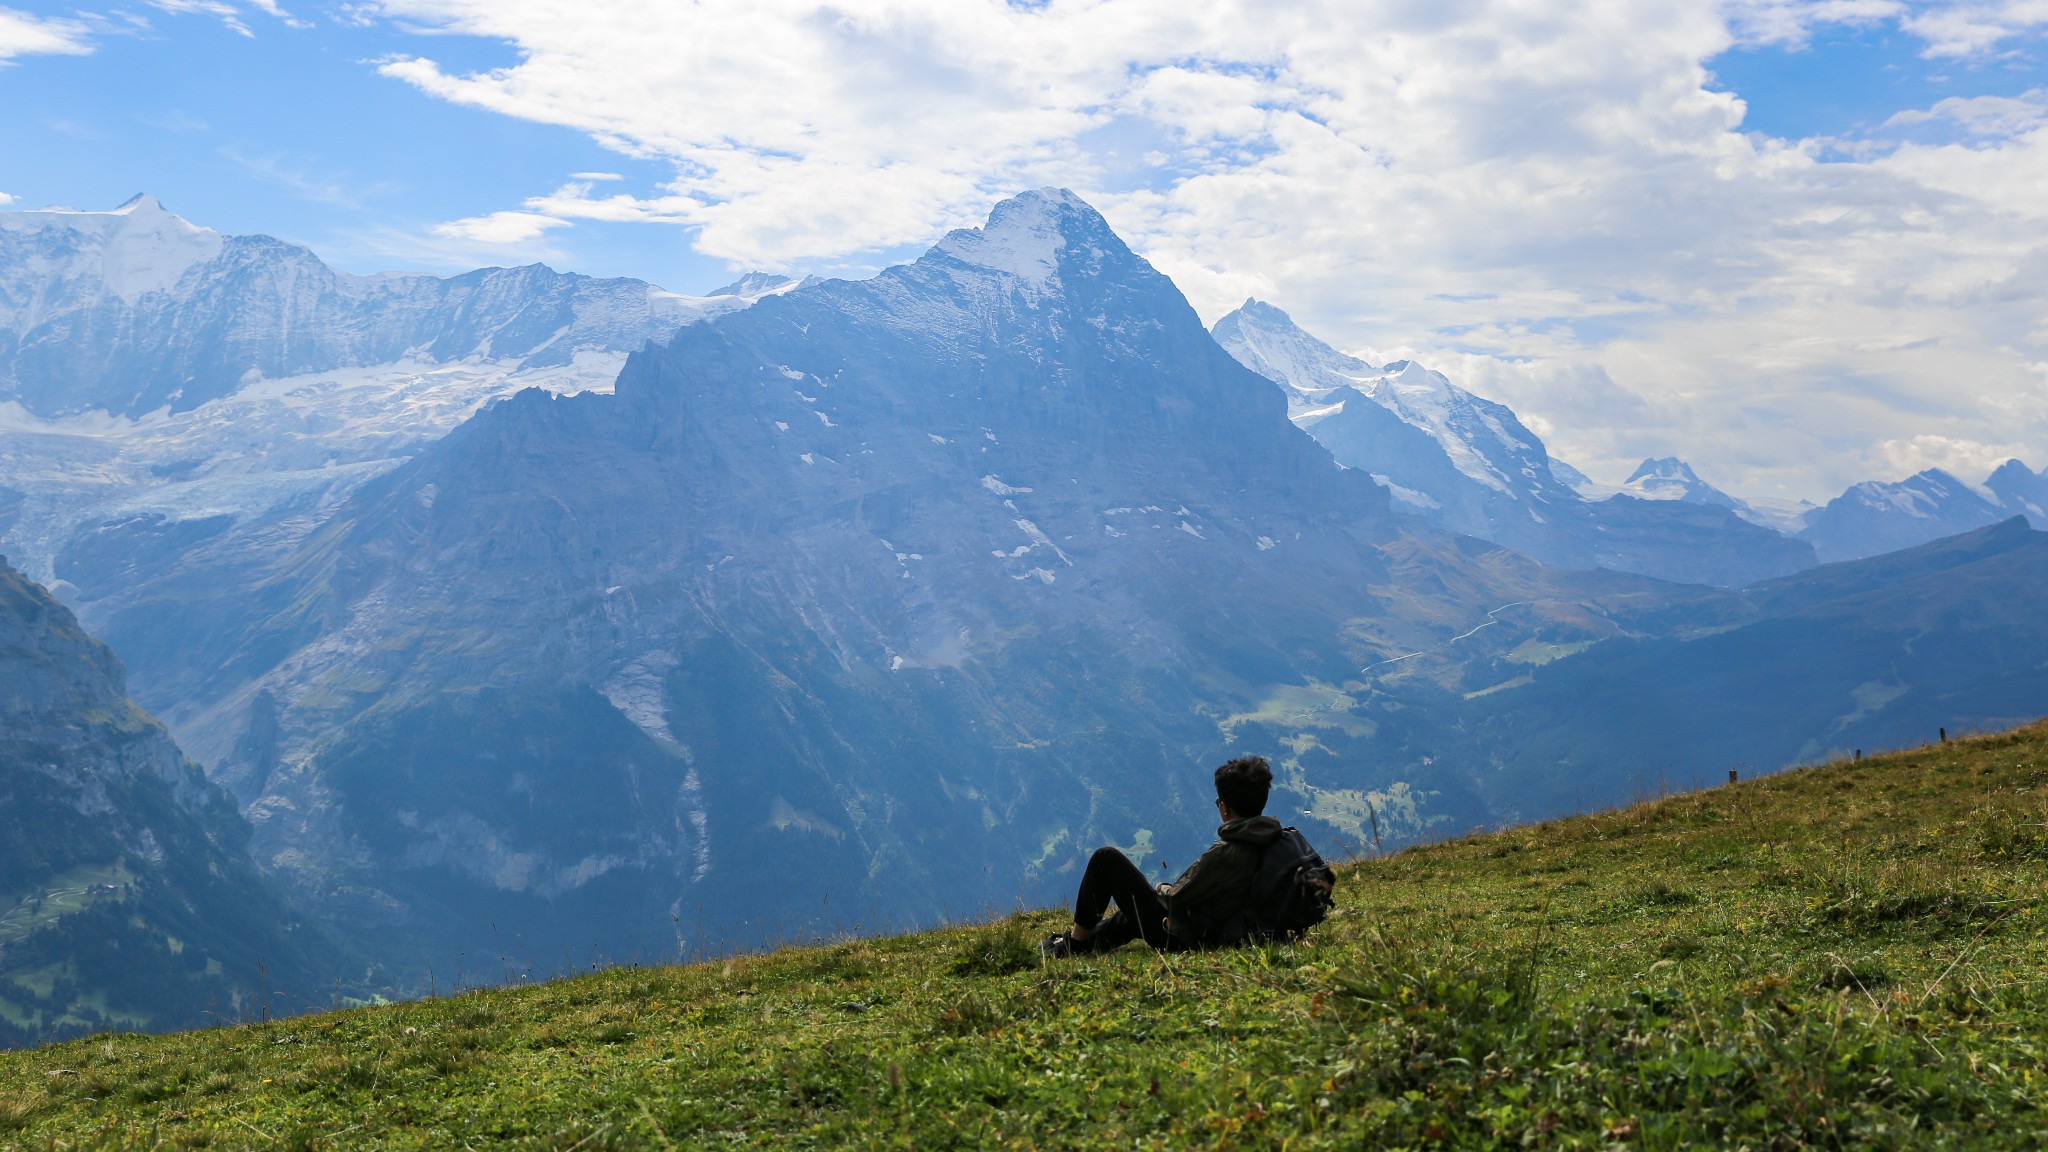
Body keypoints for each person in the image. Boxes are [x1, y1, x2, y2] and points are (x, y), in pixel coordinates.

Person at [1042, 755, 1330, 957]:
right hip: (1220, 927)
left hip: (1187, 938)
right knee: (1133, 911)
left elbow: (1173, 899)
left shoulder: (1228, 852)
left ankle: (1076, 945)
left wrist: (1160, 887)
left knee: (1106, 860)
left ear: (1225, 808)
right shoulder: (1271, 839)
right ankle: (1074, 942)